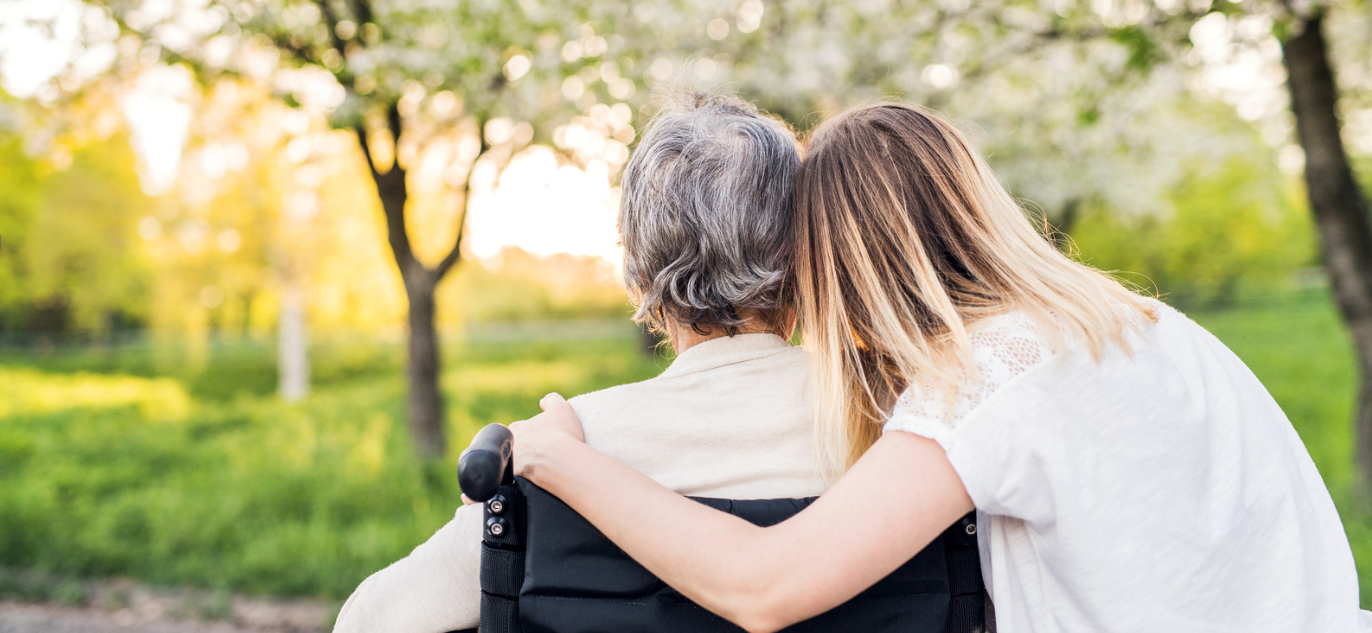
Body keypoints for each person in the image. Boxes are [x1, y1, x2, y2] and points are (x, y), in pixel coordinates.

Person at [510, 102, 1370, 632]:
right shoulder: (1136, 321)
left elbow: (764, 586)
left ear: (852, 263)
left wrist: (562, 457)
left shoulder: (989, 379)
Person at [331, 92, 828, 633]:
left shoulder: (564, 448)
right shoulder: (896, 434)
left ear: (637, 271)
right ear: (805, 256)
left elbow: (367, 622)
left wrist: (490, 510)